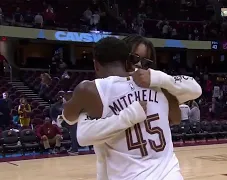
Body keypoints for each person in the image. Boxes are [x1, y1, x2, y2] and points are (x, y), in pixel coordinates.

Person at [62, 37, 202, 180]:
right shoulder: (160, 89)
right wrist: (132, 114)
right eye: (135, 59)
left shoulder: (156, 84)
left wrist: (156, 77)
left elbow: (79, 132)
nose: (140, 65)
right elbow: (176, 117)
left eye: (146, 62)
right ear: (125, 57)